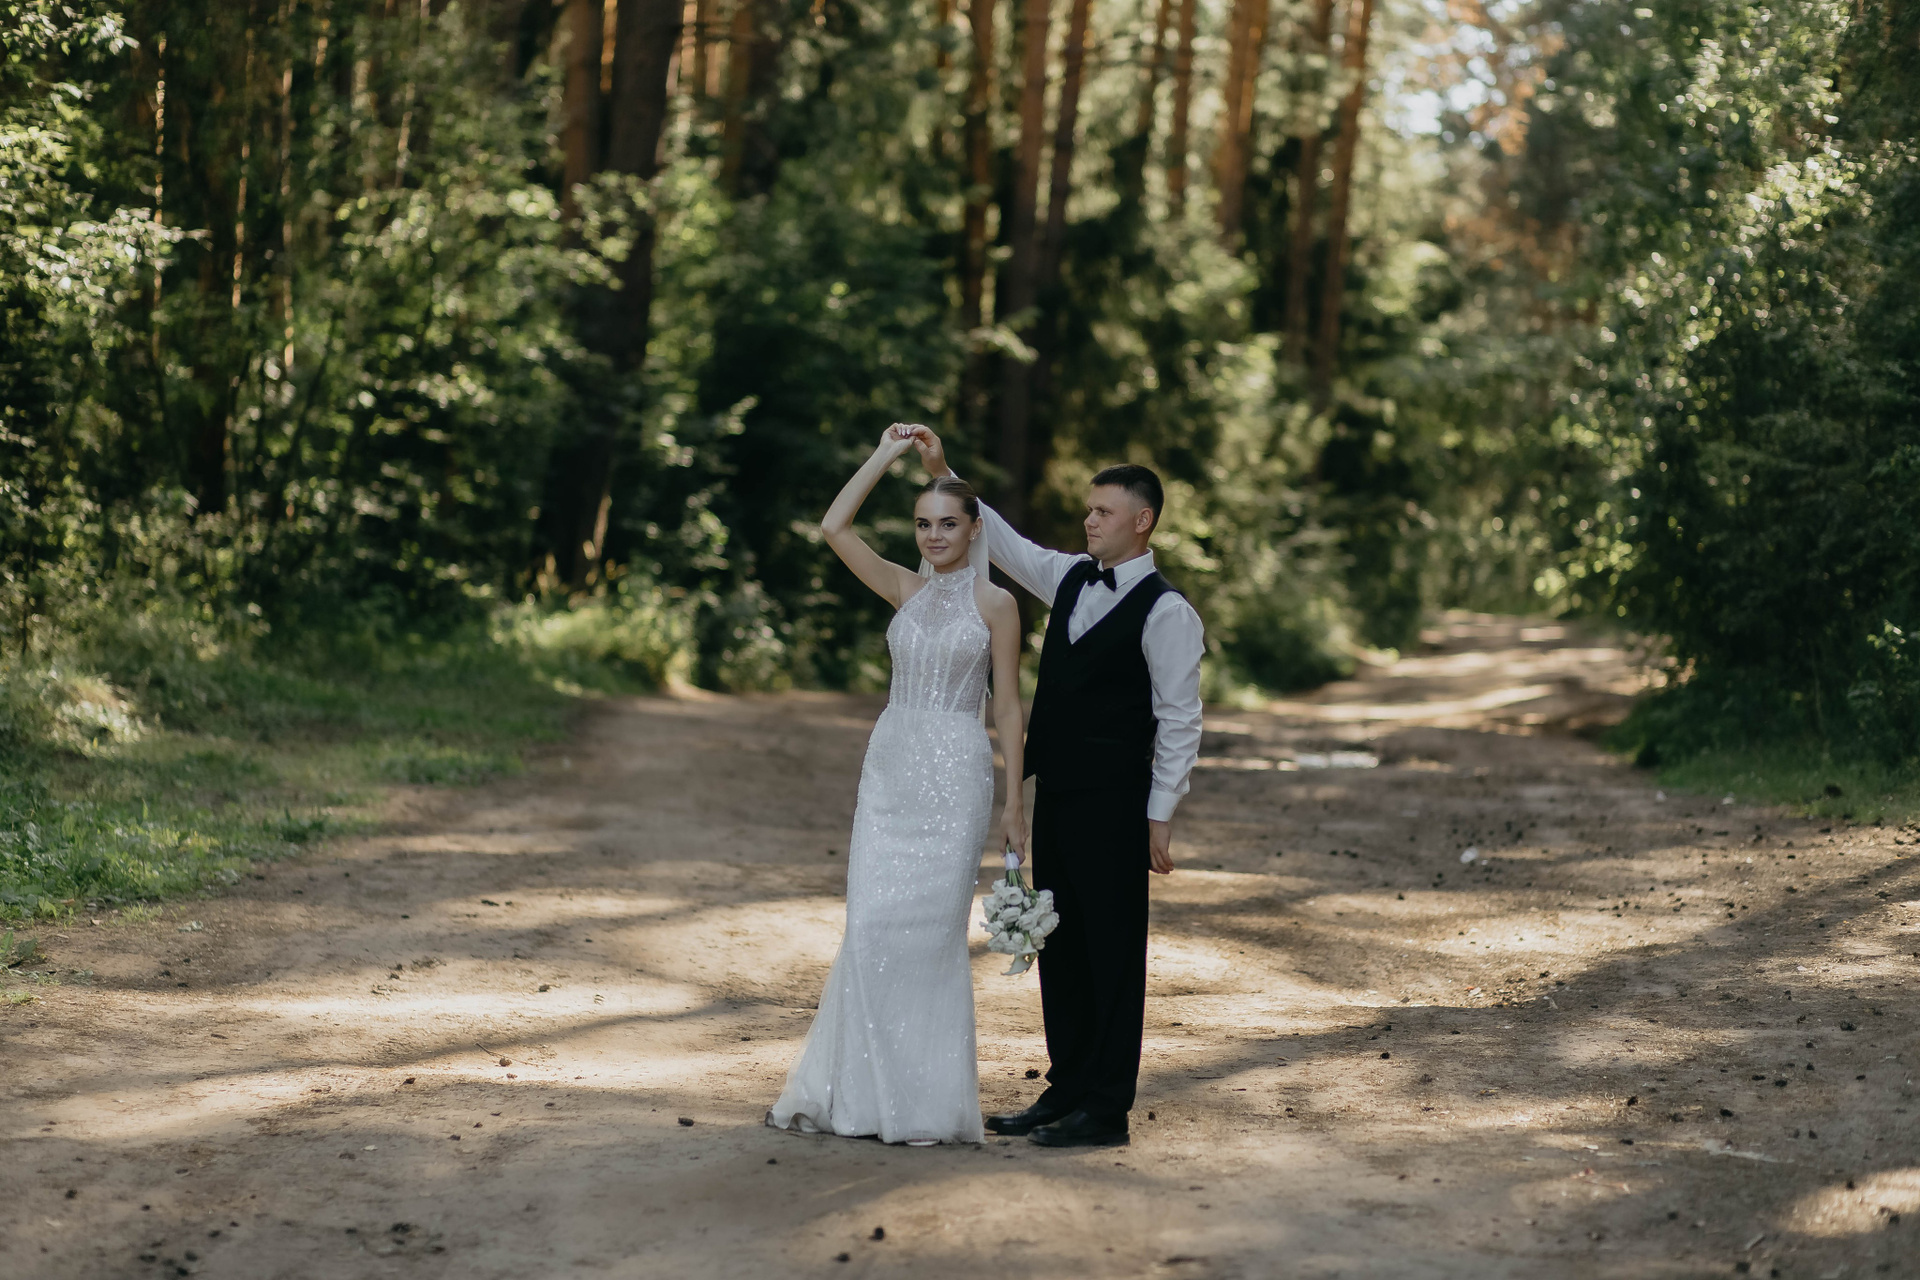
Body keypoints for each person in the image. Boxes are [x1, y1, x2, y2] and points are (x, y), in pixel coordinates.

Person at [906, 426, 1204, 1149]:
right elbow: (1002, 542)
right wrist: (944, 470)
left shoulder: (1168, 612)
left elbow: (1180, 717)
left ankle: (1105, 1109)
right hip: (1060, 795)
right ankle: (1066, 1087)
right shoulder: (1069, 576)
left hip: (1117, 802)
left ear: (1142, 521)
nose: (1089, 520)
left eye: (1104, 511)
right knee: (1061, 941)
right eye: (1088, 510)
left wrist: (1159, 814)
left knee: (1112, 948)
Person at [767, 424, 1029, 1146]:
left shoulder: (997, 605)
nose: (934, 536)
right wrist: (885, 456)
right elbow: (833, 527)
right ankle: (856, 1095)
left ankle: (923, 1106)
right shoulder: (903, 587)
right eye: (923, 524)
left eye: (948, 524)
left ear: (974, 530)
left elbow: (1008, 706)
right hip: (891, 769)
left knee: (932, 938)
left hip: (957, 771)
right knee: (871, 927)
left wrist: (1015, 801)